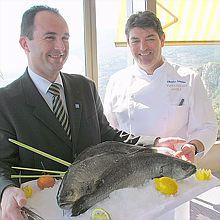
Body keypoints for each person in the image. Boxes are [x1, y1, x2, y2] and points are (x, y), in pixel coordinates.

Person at [0, 6, 186, 220]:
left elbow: (107, 136)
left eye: (65, 38)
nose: (60, 47)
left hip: (100, 208)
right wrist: (5, 191)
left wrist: (156, 143)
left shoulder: (84, 87)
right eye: (50, 37)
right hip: (42, 211)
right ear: (25, 43)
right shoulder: (6, 101)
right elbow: (2, 163)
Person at [104, 11, 218, 163]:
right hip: (130, 170)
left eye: (150, 39)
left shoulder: (188, 78)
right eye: (135, 41)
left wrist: (193, 146)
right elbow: (108, 132)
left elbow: (207, 126)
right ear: (128, 43)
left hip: (175, 165)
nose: (143, 47)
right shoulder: (116, 81)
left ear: (162, 39)